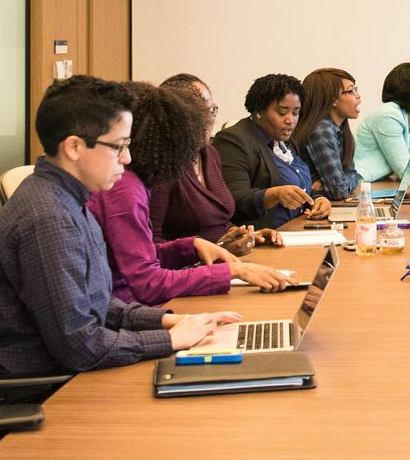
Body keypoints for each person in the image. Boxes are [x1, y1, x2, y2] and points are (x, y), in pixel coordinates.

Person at [0, 76, 239, 378]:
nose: (127, 158)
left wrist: (172, 321)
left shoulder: (69, 199)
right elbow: (80, 345)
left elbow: (100, 304)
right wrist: (169, 340)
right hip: (49, 386)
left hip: (73, 369)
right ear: (74, 146)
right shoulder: (49, 219)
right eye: (119, 146)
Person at [88, 82, 293, 306]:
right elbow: (147, 283)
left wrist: (191, 246)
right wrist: (233, 271)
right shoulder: (126, 190)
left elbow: (141, 253)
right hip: (134, 308)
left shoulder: (135, 182)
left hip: (137, 304)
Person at [150, 73, 280, 256]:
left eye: (211, 110)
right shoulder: (162, 165)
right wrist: (215, 251)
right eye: (198, 111)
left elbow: (219, 221)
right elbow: (150, 245)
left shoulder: (209, 154)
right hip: (188, 274)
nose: (209, 119)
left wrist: (245, 236)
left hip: (222, 264)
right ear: (175, 115)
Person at [212, 74, 332, 228]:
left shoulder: (286, 142)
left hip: (296, 228)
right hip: (262, 238)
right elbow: (232, 200)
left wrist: (317, 200)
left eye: (296, 113)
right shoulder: (233, 140)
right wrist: (273, 195)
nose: (290, 120)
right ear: (259, 111)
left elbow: (298, 187)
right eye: (282, 112)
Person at [293, 67, 363, 200]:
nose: (358, 95)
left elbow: (354, 174)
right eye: (351, 90)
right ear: (332, 100)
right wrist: (341, 181)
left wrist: (334, 182)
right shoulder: (321, 130)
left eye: (356, 89)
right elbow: (338, 191)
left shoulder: (339, 128)